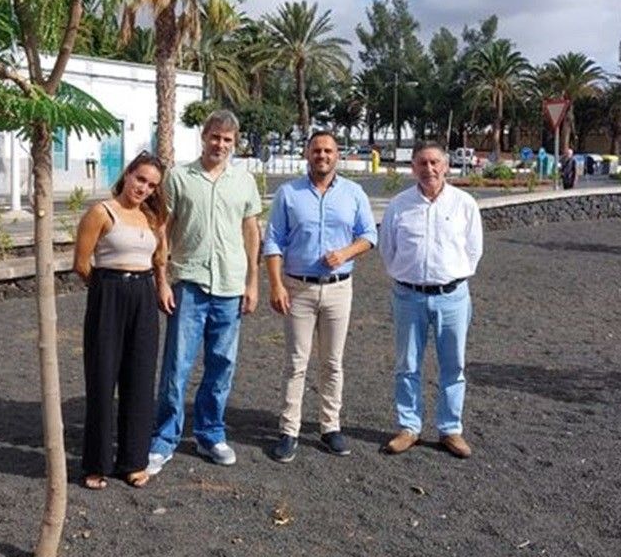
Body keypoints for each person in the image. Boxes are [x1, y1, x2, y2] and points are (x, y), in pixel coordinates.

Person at [146, 110, 261, 475]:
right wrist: (161, 279)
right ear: (203, 137)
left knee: (221, 365)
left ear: (234, 143)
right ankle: (164, 438)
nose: (220, 145)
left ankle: (211, 433)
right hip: (190, 284)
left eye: (227, 140)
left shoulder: (244, 182)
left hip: (229, 285)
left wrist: (253, 281)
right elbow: (163, 230)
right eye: (215, 137)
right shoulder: (180, 178)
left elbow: (251, 232)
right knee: (177, 364)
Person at [263, 130, 378, 463]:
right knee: (296, 362)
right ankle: (289, 430)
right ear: (307, 154)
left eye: (328, 150)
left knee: (332, 362)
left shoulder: (354, 193)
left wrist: (345, 253)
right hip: (298, 288)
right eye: (316, 150)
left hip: (339, 288)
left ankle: (330, 426)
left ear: (337, 155)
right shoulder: (289, 193)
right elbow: (273, 242)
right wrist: (276, 284)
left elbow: (369, 235)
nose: (322, 156)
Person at [379, 141, 483, 459]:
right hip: (408, 296)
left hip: (452, 297)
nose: (429, 169)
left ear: (446, 166)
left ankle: (450, 429)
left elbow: (473, 249)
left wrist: (451, 275)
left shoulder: (464, 204)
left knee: (454, 365)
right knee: (407, 364)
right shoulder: (399, 205)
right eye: (422, 163)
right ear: (413, 168)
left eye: (435, 162)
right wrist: (407, 275)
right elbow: (388, 249)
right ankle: (409, 427)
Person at [72, 151, 169, 490]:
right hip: (109, 292)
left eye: (152, 185)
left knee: (140, 379)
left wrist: (159, 286)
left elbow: (159, 259)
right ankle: (96, 463)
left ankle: (133, 461)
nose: (143, 188)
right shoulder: (102, 212)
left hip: (143, 295)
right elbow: (82, 264)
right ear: (127, 174)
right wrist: (106, 291)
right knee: (102, 378)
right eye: (140, 179)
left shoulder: (152, 218)